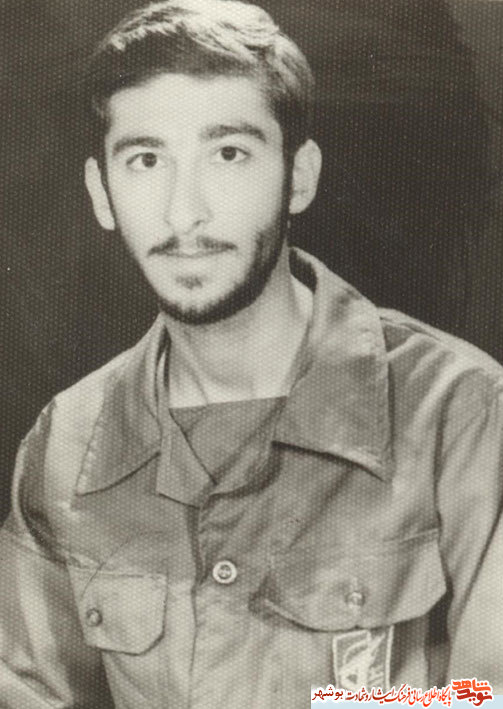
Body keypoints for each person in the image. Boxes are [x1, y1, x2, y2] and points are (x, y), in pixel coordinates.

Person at [1, 1, 503, 706]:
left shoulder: (461, 413)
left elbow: (487, 695)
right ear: (102, 193)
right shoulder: (67, 443)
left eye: (228, 154)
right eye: (146, 160)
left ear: (297, 176)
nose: (184, 212)